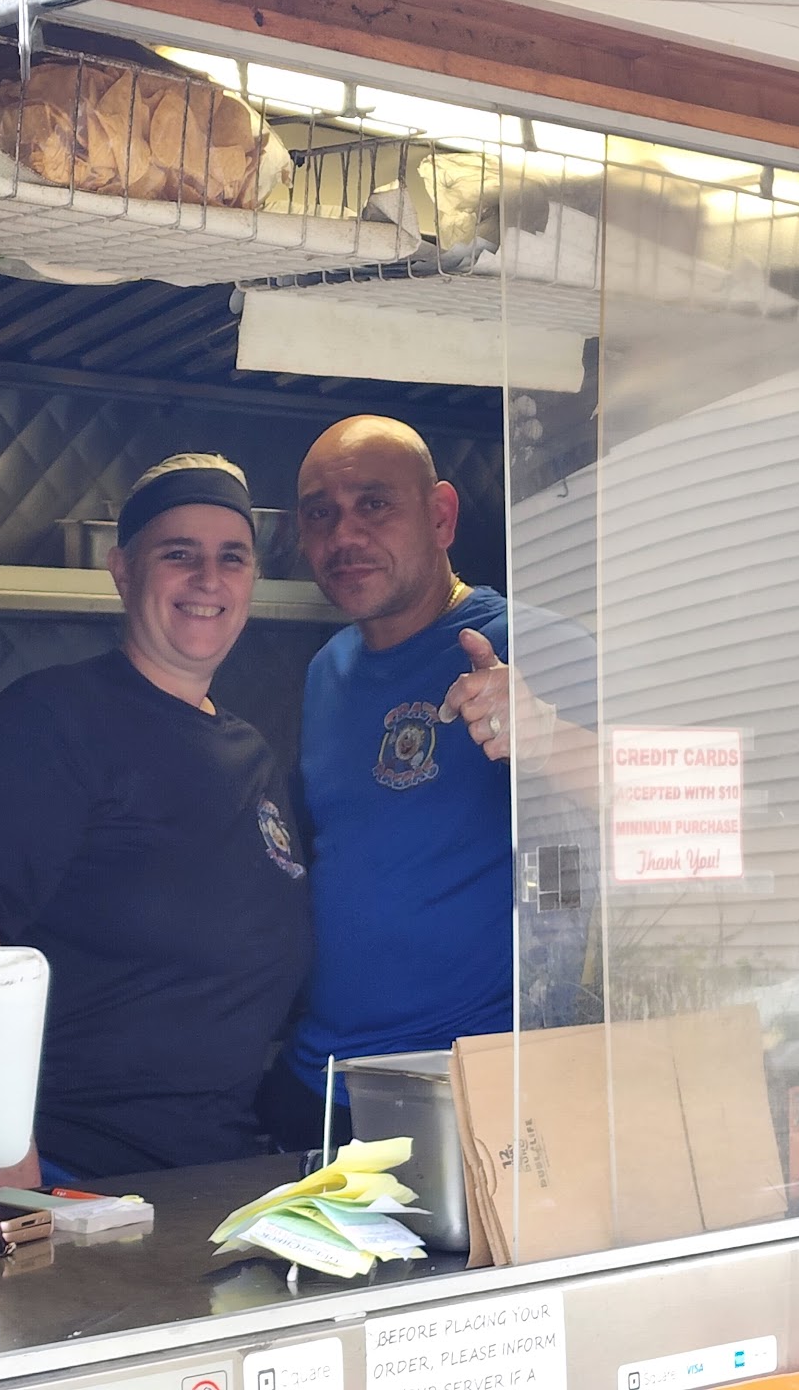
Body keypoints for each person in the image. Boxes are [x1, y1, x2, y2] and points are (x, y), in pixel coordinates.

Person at [0, 453, 312, 1185]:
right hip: (77, 1169)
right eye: (178, 554)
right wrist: (5, 1159)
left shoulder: (250, 750)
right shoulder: (55, 719)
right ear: (123, 571)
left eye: (232, 557)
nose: (209, 579)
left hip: (213, 1168)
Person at [258, 415, 593, 1150]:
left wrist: (546, 738)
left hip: (460, 1091)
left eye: (374, 504)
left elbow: (684, 810)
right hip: (320, 1082)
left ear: (441, 516)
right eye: (320, 514)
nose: (345, 535)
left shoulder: (531, 647)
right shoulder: (326, 671)